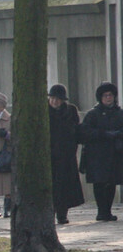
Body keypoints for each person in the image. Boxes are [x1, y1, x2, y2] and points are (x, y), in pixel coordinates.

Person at [79, 81, 123, 221]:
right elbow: (85, 132)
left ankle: (107, 211)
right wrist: (103, 134)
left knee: (111, 182)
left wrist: (117, 134)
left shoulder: (119, 113)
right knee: (99, 182)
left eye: (110, 95)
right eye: (105, 95)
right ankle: (101, 211)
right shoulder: (93, 114)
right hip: (97, 155)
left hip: (114, 154)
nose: (108, 98)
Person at [48, 84, 84, 224]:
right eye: (52, 98)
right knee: (50, 187)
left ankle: (62, 214)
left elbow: (76, 130)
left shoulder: (70, 111)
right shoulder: (44, 111)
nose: (54, 101)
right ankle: (49, 214)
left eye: (58, 99)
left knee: (65, 187)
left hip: (66, 155)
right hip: (49, 155)